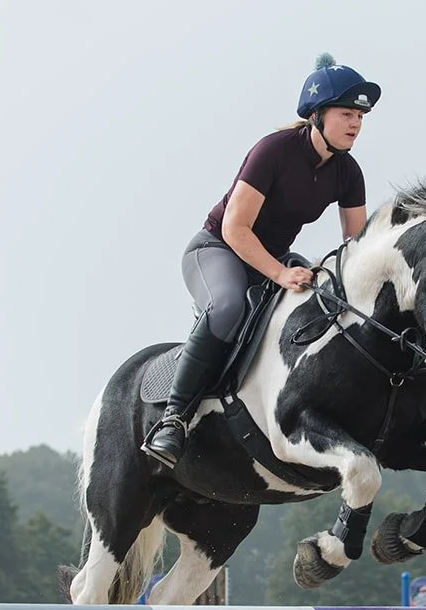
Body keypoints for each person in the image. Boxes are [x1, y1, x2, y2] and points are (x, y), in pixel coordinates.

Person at [141, 53, 381, 469]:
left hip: (273, 258)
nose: (356, 123)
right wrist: (280, 272)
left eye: (360, 115)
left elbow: (356, 244)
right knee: (229, 306)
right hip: (217, 249)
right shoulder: (273, 151)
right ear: (317, 116)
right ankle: (173, 420)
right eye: (347, 114)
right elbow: (236, 229)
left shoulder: (348, 172)